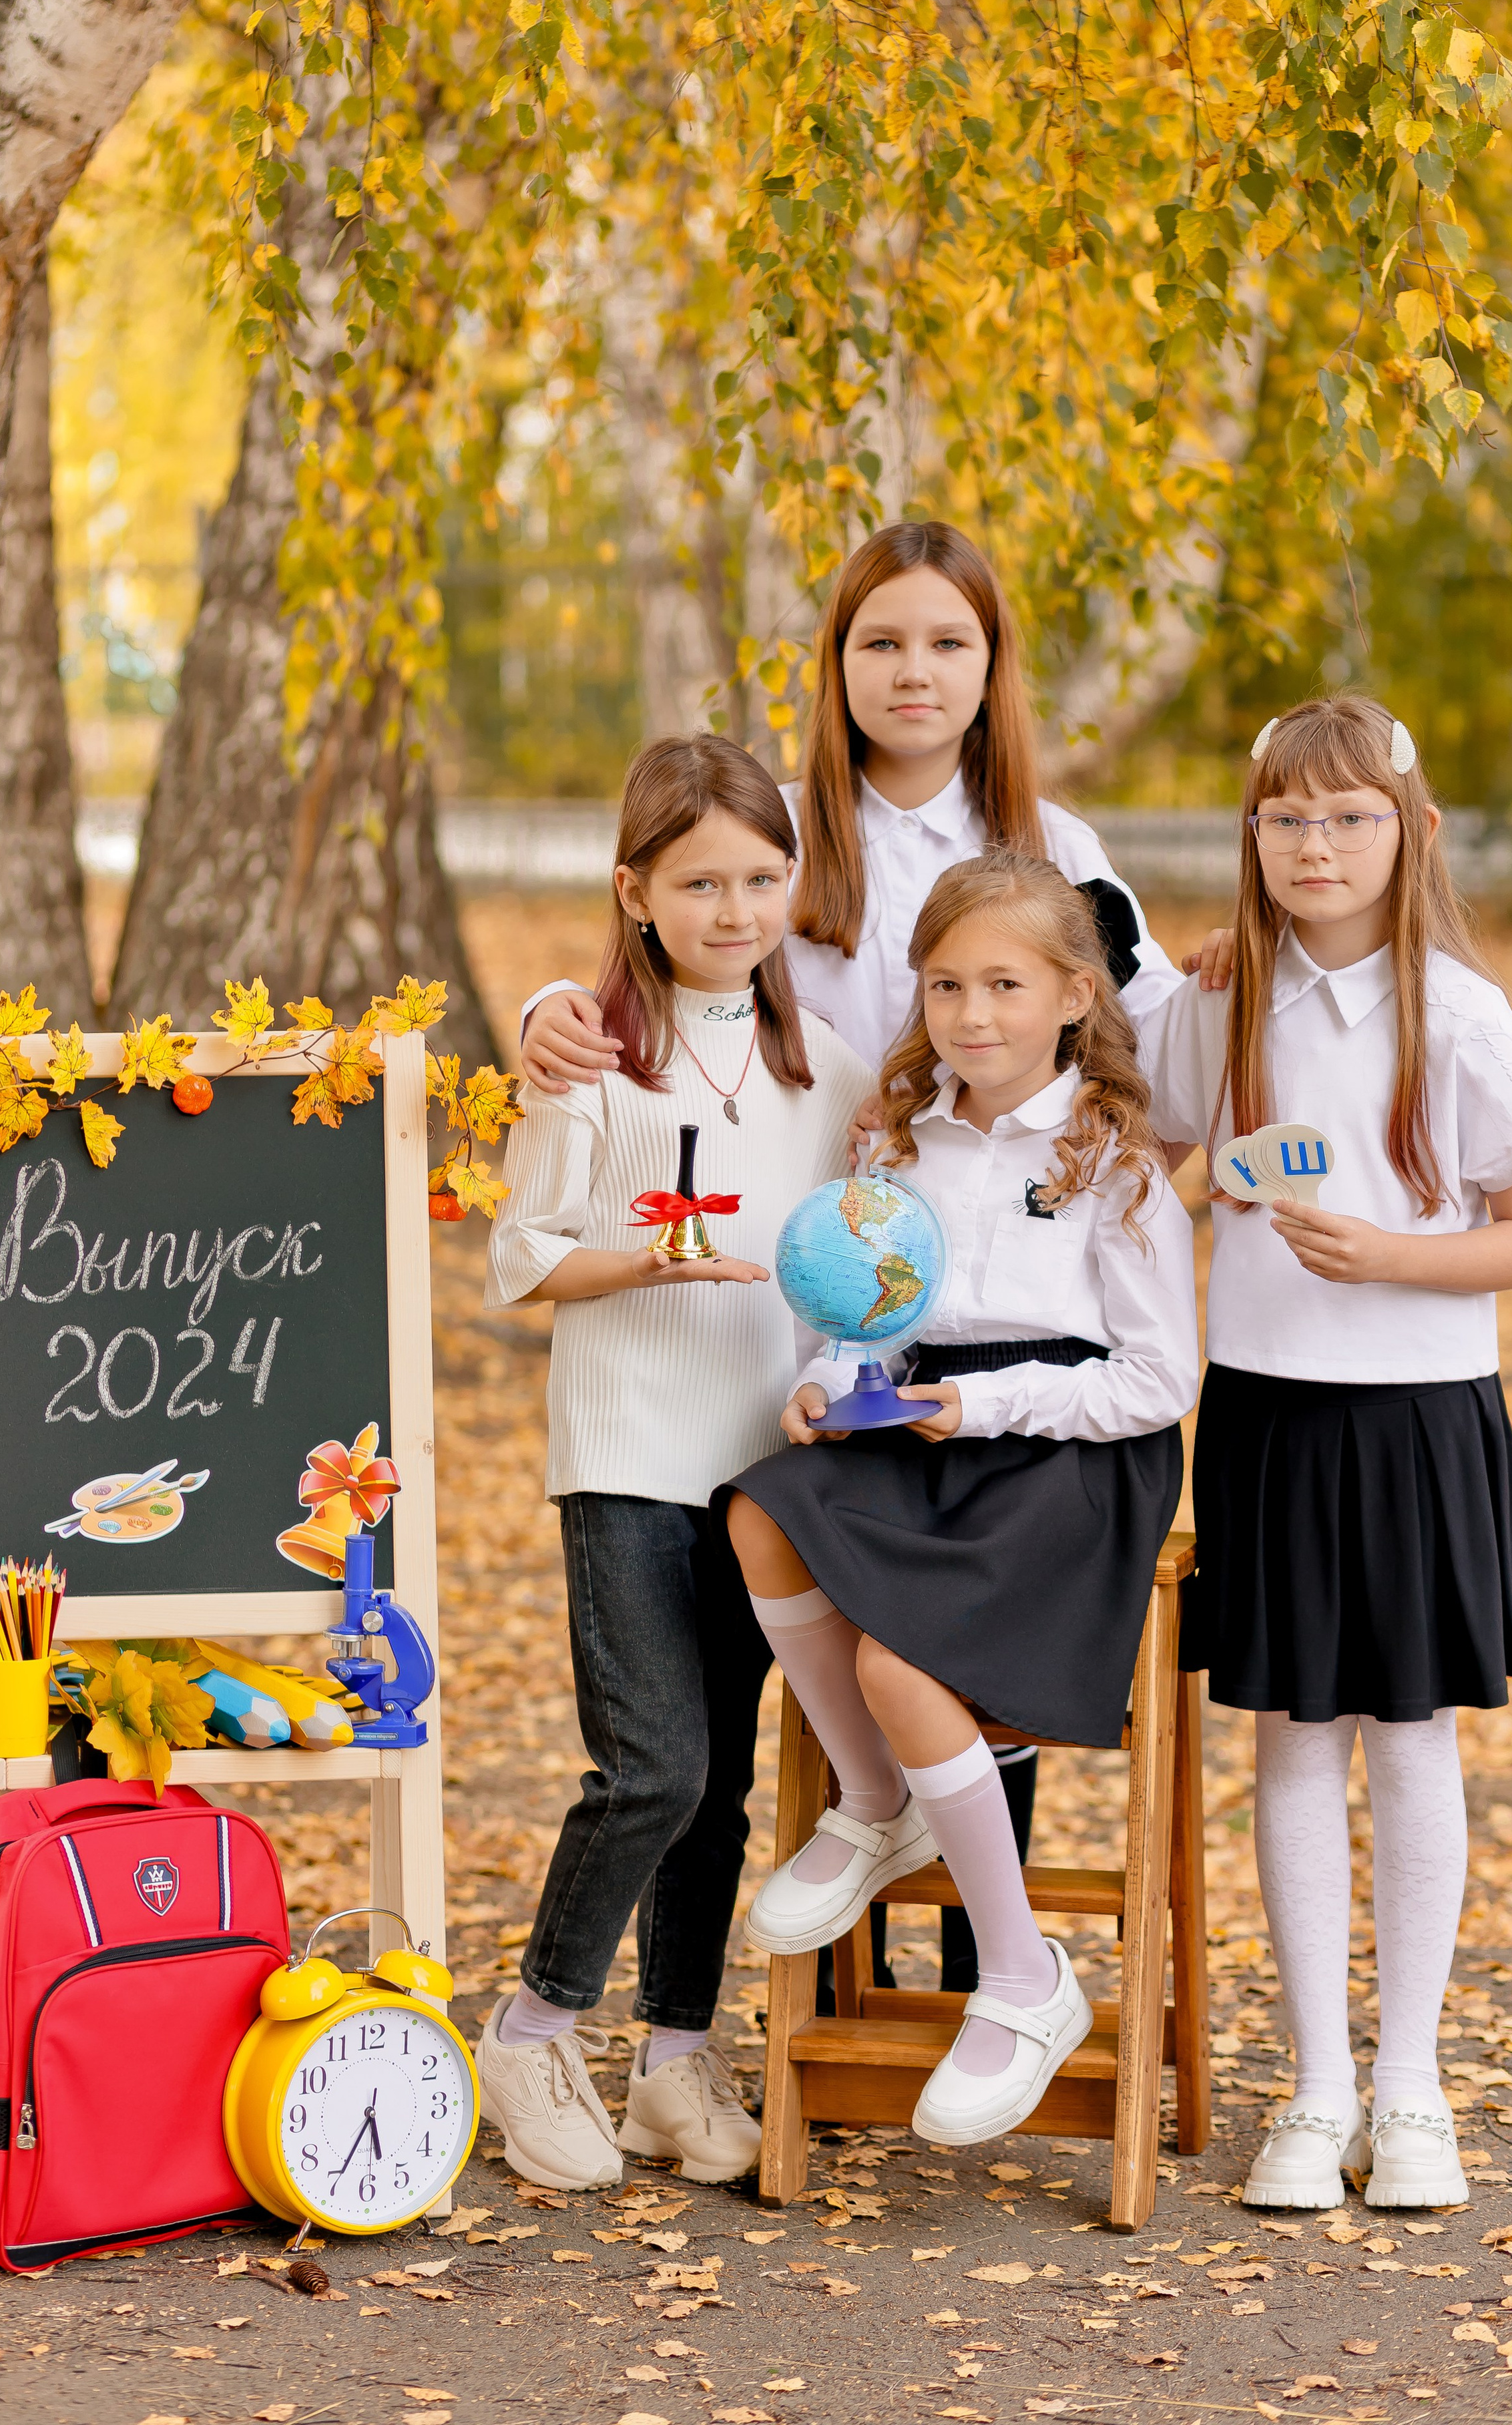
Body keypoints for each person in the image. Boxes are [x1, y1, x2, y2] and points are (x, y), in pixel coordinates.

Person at [517, 519, 1186, 1992]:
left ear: (993, 665)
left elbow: (1151, 1054)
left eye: (949, 641)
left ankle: (976, 1984)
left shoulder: (1060, 850)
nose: (913, 671)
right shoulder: (787, 837)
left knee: (956, 1653)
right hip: (813, 1310)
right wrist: (547, 1008)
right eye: (880, 641)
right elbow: (670, 959)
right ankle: (821, 2006)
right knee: (789, 1664)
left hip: (996, 1329)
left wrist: (1081, 1216)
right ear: (835, 664)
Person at [1142, 694, 1512, 2213]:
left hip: (1419, 1416)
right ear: (1250, 835)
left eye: (1347, 817)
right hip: (1264, 1411)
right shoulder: (1215, 1004)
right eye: (1284, 818)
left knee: (1410, 1735)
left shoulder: (1461, 1014)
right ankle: (1316, 2088)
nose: (1313, 844)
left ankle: (1412, 2085)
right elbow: (1147, 1159)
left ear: (1412, 832)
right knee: (1291, 1735)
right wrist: (1183, 1188)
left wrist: (1392, 1257)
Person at [725, 851, 1199, 2145]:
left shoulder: (1114, 1161)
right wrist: (830, 1381)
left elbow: (1158, 1378)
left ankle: (1023, 1975)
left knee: (899, 1662)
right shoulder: (895, 1142)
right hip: (927, 1429)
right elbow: (871, 1321)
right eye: (945, 984)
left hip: (1069, 1457)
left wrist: (984, 1406)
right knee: (763, 1507)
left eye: (1004, 984)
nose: (971, 1013)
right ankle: (876, 1804)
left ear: (1073, 995)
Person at [481, 734, 874, 2191]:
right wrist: (643, 1259)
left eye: (761, 879)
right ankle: (529, 2030)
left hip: (761, 1469)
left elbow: (847, 1259)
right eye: (699, 882)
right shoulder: (590, 1060)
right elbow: (523, 1258)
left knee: (718, 1790)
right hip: (630, 1450)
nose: (735, 910)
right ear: (634, 890)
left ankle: (672, 2060)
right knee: (652, 1765)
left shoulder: (824, 1071)